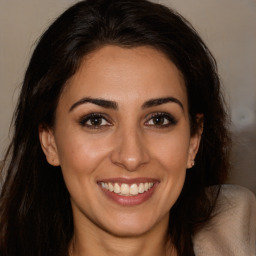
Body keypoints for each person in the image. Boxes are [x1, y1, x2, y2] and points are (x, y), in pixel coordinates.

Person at [0, 0, 255, 255]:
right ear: (50, 141)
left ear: (194, 139)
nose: (131, 157)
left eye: (158, 120)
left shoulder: (240, 235)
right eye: (96, 120)